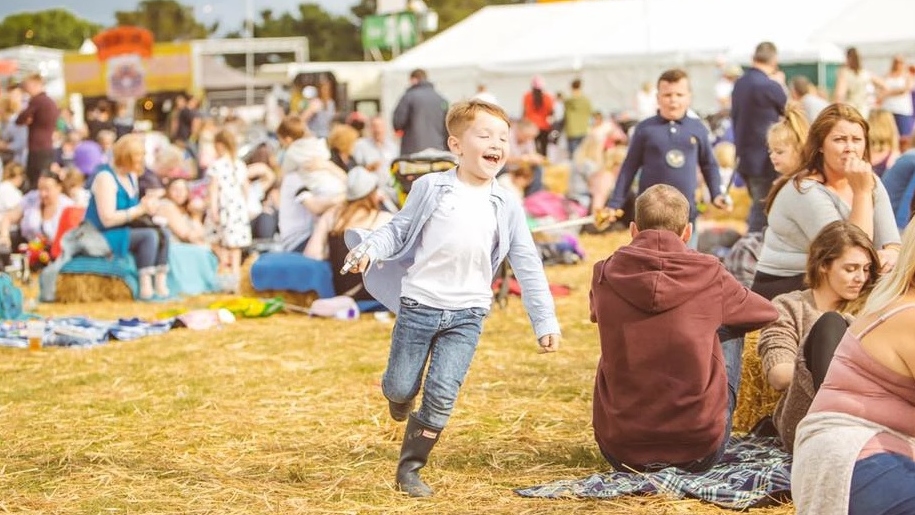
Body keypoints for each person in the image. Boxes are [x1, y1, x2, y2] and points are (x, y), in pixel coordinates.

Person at [342, 99, 561, 497]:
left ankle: (410, 469)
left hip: (468, 313)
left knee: (442, 393)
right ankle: (399, 396)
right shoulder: (431, 188)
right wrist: (370, 249)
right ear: (457, 145)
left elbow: (527, 262)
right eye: (485, 135)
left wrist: (544, 320)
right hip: (420, 305)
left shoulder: (506, 202)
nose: (496, 143)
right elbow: (397, 229)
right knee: (399, 386)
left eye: (503, 137)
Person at [590, 184, 777, 472]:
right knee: (730, 326)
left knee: (621, 333)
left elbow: (595, 313)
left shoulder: (604, 273)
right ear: (687, 232)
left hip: (620, 451)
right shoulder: (710, 273)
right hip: (700, 451)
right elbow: (766, 312)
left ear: (633, 229)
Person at [792, 221, 915, 515]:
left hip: (862, 452)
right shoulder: (907, 315)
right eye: (850, 268)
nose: (858, 278)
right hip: (850, 455)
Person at [753, 103, 901, 301]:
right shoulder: (805, 190)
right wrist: (861, 194)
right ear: (821, 145)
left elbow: (893, 244)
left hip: (844, 279)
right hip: (789, 286)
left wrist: (889, 255)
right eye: (840, 140)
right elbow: (850, 254)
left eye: (856, 140)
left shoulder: (869, 179)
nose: (850, 148)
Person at [757, 221, 879, 452]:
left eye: (865, 269)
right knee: (831, 323)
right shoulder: (790, 306)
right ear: (823, 265)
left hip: (866, 415)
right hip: (805, 421)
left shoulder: (871, 307)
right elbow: (779, 375)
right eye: (851, 268)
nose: (861, 278)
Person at [605, 68, 728, 246]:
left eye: (679, 94)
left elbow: (709, 164)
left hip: (686, 215)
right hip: (650, 216)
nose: (673, 100)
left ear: (689, 97)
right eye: (667, 94)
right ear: (658, 97)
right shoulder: (645, 129)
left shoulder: (698, 128)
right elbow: (629, 167)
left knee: (684, 266)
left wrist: (717, 193)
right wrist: (615, 203)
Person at [84, 134, 169, 301]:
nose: (142, 160)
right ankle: (145, 286)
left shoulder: (131, 176)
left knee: (162, 233)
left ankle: (161, 282)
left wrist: (148, 207)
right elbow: (107, 219)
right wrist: (139, 210)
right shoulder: (105, 178)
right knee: (148, 236)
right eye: (138, 156)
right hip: (100, 234)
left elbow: (134, 208)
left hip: (123, 228)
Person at [304, 166, 393, 300]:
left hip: (341, 290)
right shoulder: (383, 218)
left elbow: (312, 254)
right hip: (374, 293)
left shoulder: (332, 216)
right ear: (373, 193)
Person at [731, 41, 788, 233]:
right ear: (774, 60)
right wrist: (780, 83)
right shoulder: (769, 85)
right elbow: (790, 109)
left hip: (744, 157)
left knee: (758, 205)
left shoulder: (739, 83)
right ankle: (751, 253)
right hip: (764, 158)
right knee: (762, 209)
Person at [207, 129, 252, 291]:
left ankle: (226, 280)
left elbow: (213, 189)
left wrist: (213, 209)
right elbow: (246, 188)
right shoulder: (239, 164)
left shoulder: (217, 165)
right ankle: (236, 279)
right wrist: (244, 205)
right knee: (235, 247)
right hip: (237, 207)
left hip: (224, 207)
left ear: (219, 145)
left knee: (219, 242)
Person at [0, 170, 74, 252]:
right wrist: (4, 236)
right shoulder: (31, 198)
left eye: (47, 189)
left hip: (56, 253)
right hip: (27, 249)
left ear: (59, 188)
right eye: (40, 189)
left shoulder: (68, 207)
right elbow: (8, 217)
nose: (43, 194)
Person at [15, 74, 59, 192]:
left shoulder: (37, 101)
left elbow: (20, 119)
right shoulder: (50, 102)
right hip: (47, 146)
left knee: (34, 181)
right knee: (44, 178)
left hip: (37, 147)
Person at [392, 69, 449, 155]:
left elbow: (397, 122)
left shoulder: (408, 97)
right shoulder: (442, 99)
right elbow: (448, 125)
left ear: (414, 80)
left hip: (413, 151)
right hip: (439, 150)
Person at [833, 47, 877, 119]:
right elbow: (884, 86)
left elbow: (839, 95)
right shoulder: (865, 73)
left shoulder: (844, 73)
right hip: (864, 111)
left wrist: (836, 110)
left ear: (848, 58)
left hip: (850, 110)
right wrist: (879, 100)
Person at [522, 75, 554, 157]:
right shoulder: (548, 97)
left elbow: (524, 112)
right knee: (544, 150)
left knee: (532, 150)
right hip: (544, 127)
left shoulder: (527, 96)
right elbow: (551, 113)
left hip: (530, 127)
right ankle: (543, 167)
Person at [563, 78, 593, 158]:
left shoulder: (568, 101)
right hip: (583, 129)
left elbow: (564, 115)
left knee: (573, 155)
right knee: (583, 154)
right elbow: (591, 112)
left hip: (572, 130)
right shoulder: (586, 100)